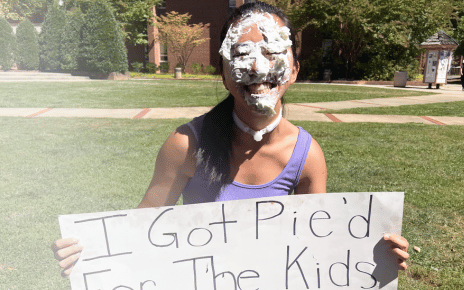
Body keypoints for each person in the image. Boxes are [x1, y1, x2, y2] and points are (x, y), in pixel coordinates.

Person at [52, 1, 409, 278]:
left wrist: (373, 252)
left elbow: (321, 245)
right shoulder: (186, 145)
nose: (257, 67)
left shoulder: (307, 155)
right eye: (241, 54)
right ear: (223, 72)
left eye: (272, 52)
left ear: (295, 71)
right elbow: (144, 221)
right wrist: (94, 249)